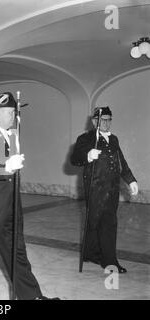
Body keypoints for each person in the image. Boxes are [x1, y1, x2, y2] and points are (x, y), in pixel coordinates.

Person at [0, 92, 58, 300]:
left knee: (18, 256)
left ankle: (32, 296)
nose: (14, 116)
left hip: (10, 208)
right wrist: (4, 167)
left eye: (15, 112)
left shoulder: (11, 135)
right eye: (9, 112)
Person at [70, 106, 138, 273]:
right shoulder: (86, 138)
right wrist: (87, 155)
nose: (106, 123)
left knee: (108, 223)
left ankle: (109, 261)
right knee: (94, 221)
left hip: (112, 188)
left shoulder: (114, 139)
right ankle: (91, 253)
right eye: (103, 120)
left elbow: (121, 161)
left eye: (109, 119)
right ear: (95, 121)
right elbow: (74, 159)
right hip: (95, 187)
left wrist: (130, 180)